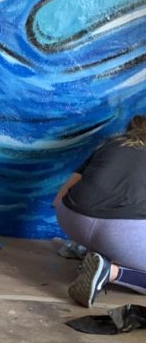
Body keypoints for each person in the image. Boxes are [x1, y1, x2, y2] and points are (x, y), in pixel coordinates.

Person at [54, 115, 146, 307]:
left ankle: (93, 253)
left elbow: (59, 198)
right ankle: (110, 272)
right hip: (120, 233)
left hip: (70, 220)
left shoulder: (111, 145)